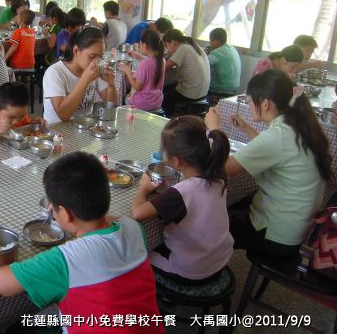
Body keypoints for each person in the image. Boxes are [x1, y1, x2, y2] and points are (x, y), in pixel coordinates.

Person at [0, 152, 162, 330]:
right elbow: (114, 220)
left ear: (65, 214)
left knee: (17, 328)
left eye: (53, 207)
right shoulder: (133, 227)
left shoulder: (67, 259)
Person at [205, 69, 331, 257]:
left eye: (249, 101)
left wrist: (214, 129)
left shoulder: (277, 136)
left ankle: (204, 266)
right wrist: (246, 127)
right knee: (232, 203)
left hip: (276, 234)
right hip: (296, 227)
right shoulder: (297, 125)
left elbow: (222, 169)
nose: (248, 105)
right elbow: (272, 149)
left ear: (265, 103)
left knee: (205, 224)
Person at [132, 116, 233, 281]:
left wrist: (143, 188)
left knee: (134, 253)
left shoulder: (180, 193)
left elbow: (137, 213)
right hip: (220, 259)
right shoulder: (219, 176)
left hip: (191, 271)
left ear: (176, 161)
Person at [43, 27, 118, 124]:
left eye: (100, 57)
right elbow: (63, 115)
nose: (97, 61)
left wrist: (111, 85)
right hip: (58, 130)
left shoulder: (95, 69)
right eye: (92, 56)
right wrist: (85, 80)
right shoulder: (55, 72)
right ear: (76, 51)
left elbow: (111, 108)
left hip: (85, 126)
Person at [162, 29, 211, 116]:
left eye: (166, 45)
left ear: (172, 42)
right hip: (203, 94)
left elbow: (163, 68)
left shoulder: (183, 48)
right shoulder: (195, 46)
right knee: (170, 88)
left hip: (190, 94)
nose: (167, 50)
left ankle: (167, 121)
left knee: (163, 96)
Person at [119, 29, 165, 111]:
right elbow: (151, 63)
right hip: (156, 101)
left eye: (140, 44)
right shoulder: (162, 60)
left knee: (124, 98)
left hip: (142, 104)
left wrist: (128, 71)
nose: (139, 46)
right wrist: (137, 56)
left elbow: (137, 87)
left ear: (144, 45)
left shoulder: (144, 64)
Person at [207, 27, 241, 97]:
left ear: (217, 42)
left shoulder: (217, 53)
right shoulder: (232, 48)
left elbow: (203, 63)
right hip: (233, 89)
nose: (210, 44)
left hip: (220, 88)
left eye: (210, 41)